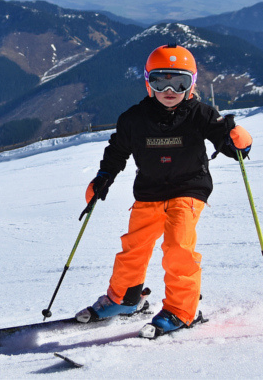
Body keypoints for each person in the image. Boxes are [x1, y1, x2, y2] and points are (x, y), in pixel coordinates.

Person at [75, 43, 252, 338]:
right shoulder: (134, 119)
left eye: (179, 82)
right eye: (160, 81)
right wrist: (104, 177)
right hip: (149, 191)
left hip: (189, 188)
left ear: (191, 84)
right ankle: (124, 299)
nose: (170, 89)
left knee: (178, 247)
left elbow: (233, 147)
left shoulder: (201, 114)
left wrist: (238, 140)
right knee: (134, 246)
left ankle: (182, 310)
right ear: (148, 83)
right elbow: (117, 151)